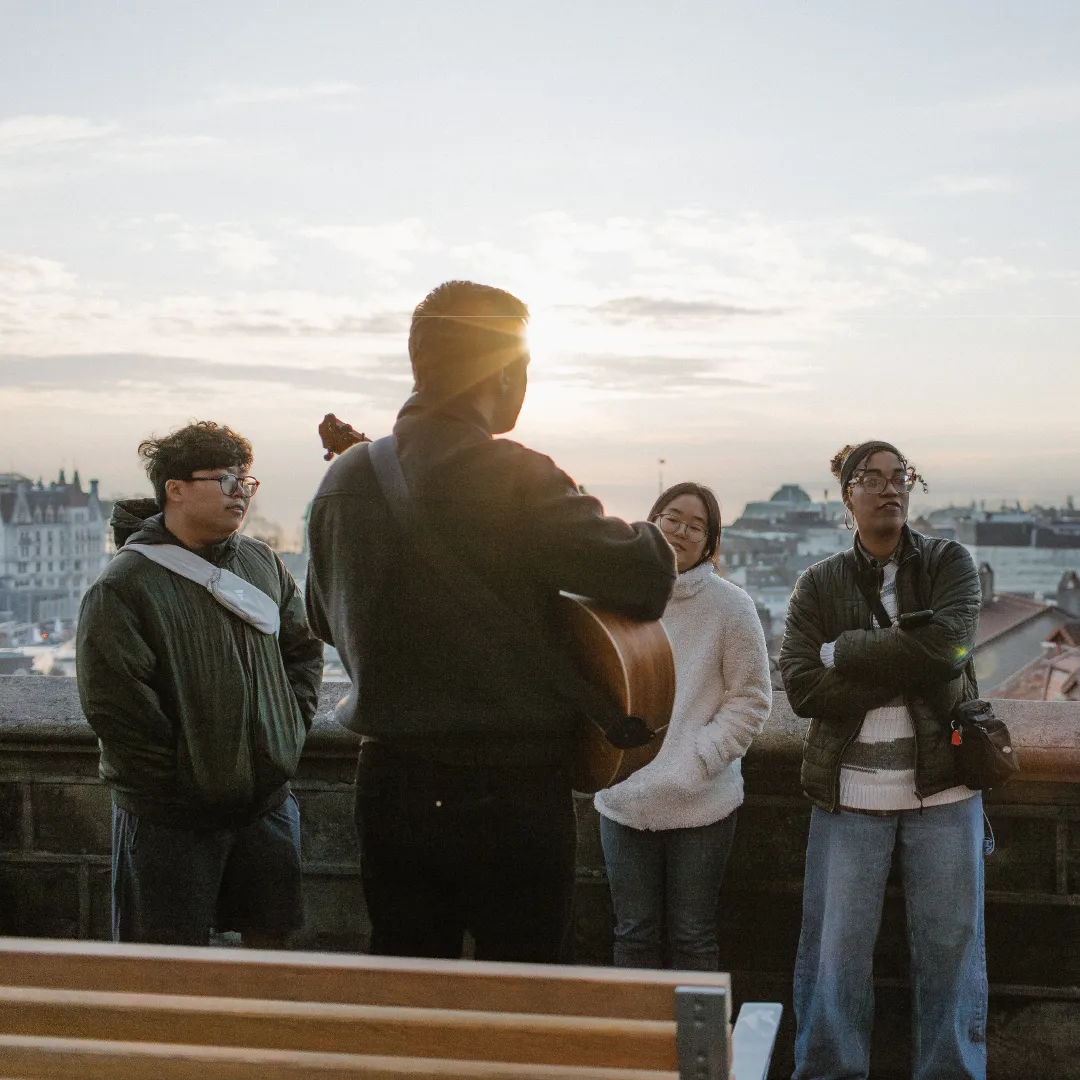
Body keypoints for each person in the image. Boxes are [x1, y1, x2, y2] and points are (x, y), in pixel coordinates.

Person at [304, 280, 676, 963]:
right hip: (508, 789)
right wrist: (654, 531)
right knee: (524, 990)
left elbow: (323, 619)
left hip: (389, 785)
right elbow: (646, 580)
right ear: (503, 371)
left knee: (411, 992)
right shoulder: (512, 475)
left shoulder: (342, 481)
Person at [779, 440, 986, 1080]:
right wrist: (905, 661)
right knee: (835, 954)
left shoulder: (950, 560)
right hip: (851, 792)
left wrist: (845, 652)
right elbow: (802, 687)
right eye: (872, 477)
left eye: (901, 476)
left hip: (946, 787)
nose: (890, 487)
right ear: (847, 497)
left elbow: (949, 650)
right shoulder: (818, 582)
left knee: (951, 952)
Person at [77, 421, 323, 947]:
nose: (241, 491)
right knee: (167, 970)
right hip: (170, 819)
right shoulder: (124, 586)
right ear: (176, 489)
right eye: (225, 479)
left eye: (246, 481)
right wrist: (183, 783)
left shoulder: (262, 563)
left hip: (266, 805)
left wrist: (287, 735)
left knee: (270, 958)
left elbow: (302, 653)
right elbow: (117, 708)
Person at [595, 482, 771, 971]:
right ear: (651, 519)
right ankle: (636, 1045)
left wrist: (698, 759)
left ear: (710, 543)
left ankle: (698, 1048)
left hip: (701, 797)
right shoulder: (615, 594)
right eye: (673, 517)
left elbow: (752, 698)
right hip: (624, 795)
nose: (682, 530)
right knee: (632, 934)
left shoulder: (731, 606)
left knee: (693, 935)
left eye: (697, 526)